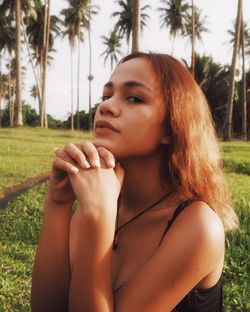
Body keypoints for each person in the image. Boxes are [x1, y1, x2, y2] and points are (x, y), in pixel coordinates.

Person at [31, 52, 238, 312]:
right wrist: (57, 205)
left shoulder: (199, 225)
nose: (106, 107)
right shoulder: (99, 203)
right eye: (106, 96)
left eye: (134, 98)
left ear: (171, 128)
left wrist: (99, 215)